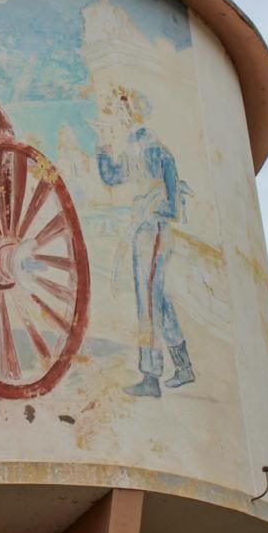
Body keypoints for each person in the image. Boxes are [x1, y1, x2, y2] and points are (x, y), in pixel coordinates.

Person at [95, 89, 195, 398]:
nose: (117, 114)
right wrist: (102, 149)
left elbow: (173, 205)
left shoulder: (157, 152)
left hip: (153, 230)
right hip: (143, 229)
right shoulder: (134, 148)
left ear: (135, 113)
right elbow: (113, 178)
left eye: (122, 109)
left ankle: (151, 376)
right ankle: (184, 367)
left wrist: (150, 211)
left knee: (148, 303)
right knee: (159, 301)